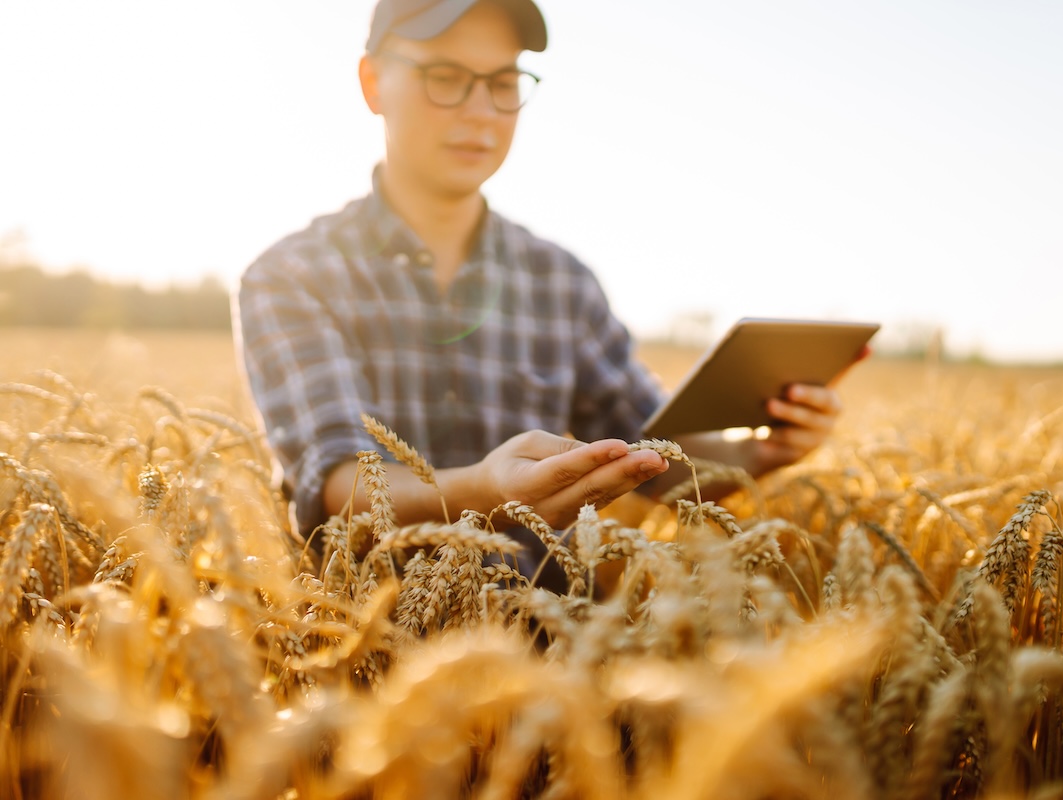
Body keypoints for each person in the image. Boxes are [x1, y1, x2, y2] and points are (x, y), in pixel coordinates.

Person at [234, 0, 845, 566]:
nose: (480, 111)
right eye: (444, 77)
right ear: (373, 83)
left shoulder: (563, 284)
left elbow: (658, 463)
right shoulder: (291, 278)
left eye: (503, 84)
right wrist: (486, 491)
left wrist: (762, 451)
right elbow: (338, 487)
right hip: (354, 656)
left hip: (548, 654)